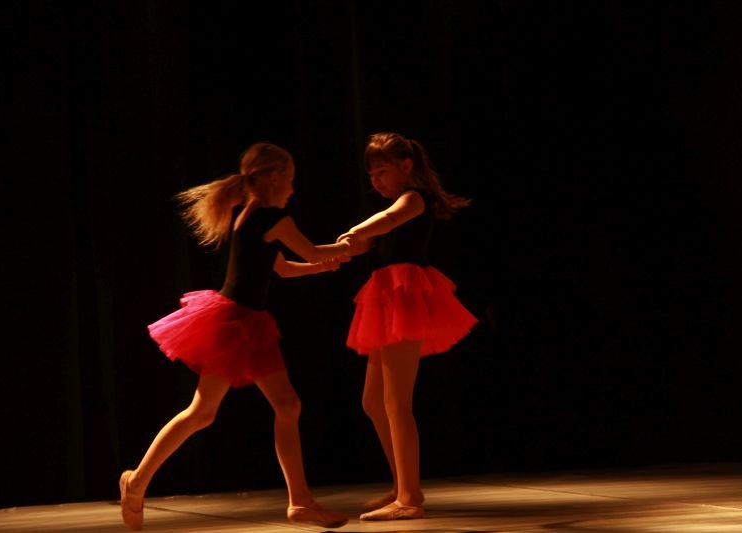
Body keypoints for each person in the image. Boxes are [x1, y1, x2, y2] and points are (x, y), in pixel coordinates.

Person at [118, 142, 352, 531]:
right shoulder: (273, 216)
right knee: (207, 412)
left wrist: (321, 266)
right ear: (275, 178)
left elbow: (283, 268)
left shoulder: (252, 214)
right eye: (291, 181)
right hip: (236, 324)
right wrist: (346, 247)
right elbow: (310, 251)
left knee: (281, 406)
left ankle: (300, 502)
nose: (293, 190)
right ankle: (137, 480)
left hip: (246, 322)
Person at [336, 132, 478, 521]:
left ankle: (410, 497)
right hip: (385, 296)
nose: (375, 181)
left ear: (406, 166)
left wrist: (357, 231)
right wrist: (338, 250)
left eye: (382, 172)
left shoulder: (414, 199)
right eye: (371, 175)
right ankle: (402, 484)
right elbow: (370, 238)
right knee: (372, 401)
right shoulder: (396, 206)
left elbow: (387, 220)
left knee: (396, 402)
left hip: (404, 296)